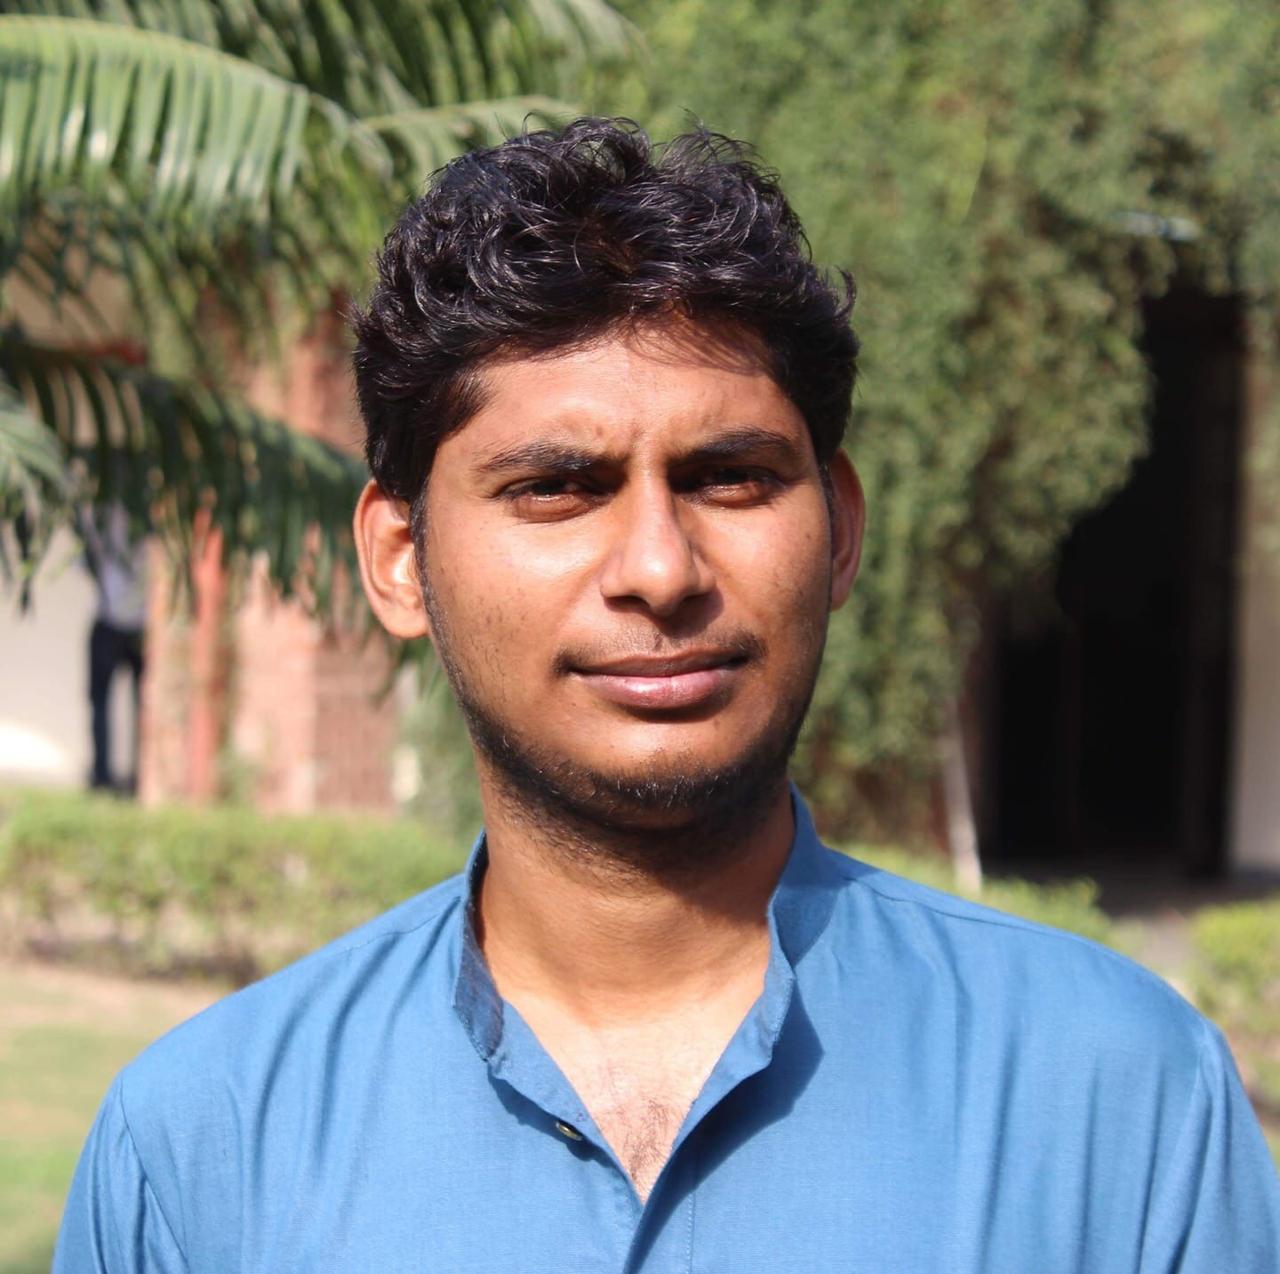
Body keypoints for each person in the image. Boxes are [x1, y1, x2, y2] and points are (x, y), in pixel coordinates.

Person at [55, 118, 1279, 1272]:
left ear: (839, 529)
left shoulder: (1114, 1098)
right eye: (555, 486)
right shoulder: (204, 1147)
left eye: (730, 476)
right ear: (399, 560)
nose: (658, 568)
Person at [80, 501, 148, 793]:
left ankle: (106, 776)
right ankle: (118, 775)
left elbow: (85, 562)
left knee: (106, 703)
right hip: (134, 622)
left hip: (117, 620)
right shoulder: (148, 519)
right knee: (118, 704)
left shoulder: (100, 516)